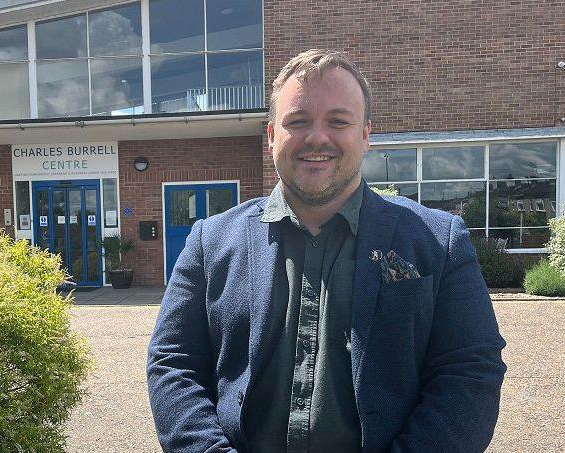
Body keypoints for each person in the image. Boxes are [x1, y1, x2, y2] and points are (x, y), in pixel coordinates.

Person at [146, 49, 506, 453]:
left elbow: (470, 372)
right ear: (270, 137)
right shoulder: (209, 242)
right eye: (297, 122)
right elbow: (173, 363)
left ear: (366, 134)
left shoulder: (438, 241)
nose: (317, 137)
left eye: (338, 121)